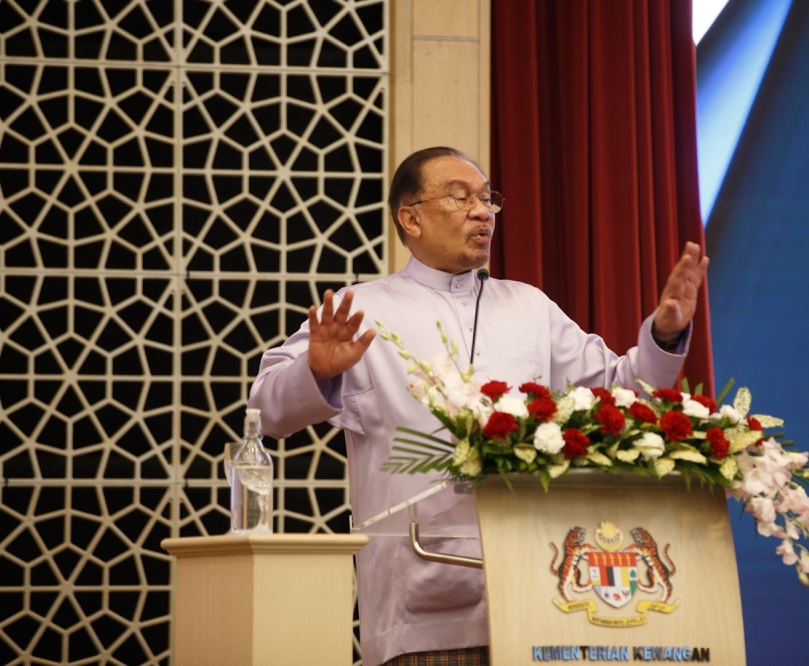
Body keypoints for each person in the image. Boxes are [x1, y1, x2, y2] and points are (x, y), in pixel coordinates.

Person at [248, 146, 709, 666]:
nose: (482, 211)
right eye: (460, 197)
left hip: (544, 592)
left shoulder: (528, 305)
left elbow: (623, 392)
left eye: (488, 199)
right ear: (410, 218)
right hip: (422, 600)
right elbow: (265, 410)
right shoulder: (365, 309)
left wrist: (666, 335)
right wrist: (318, 371)